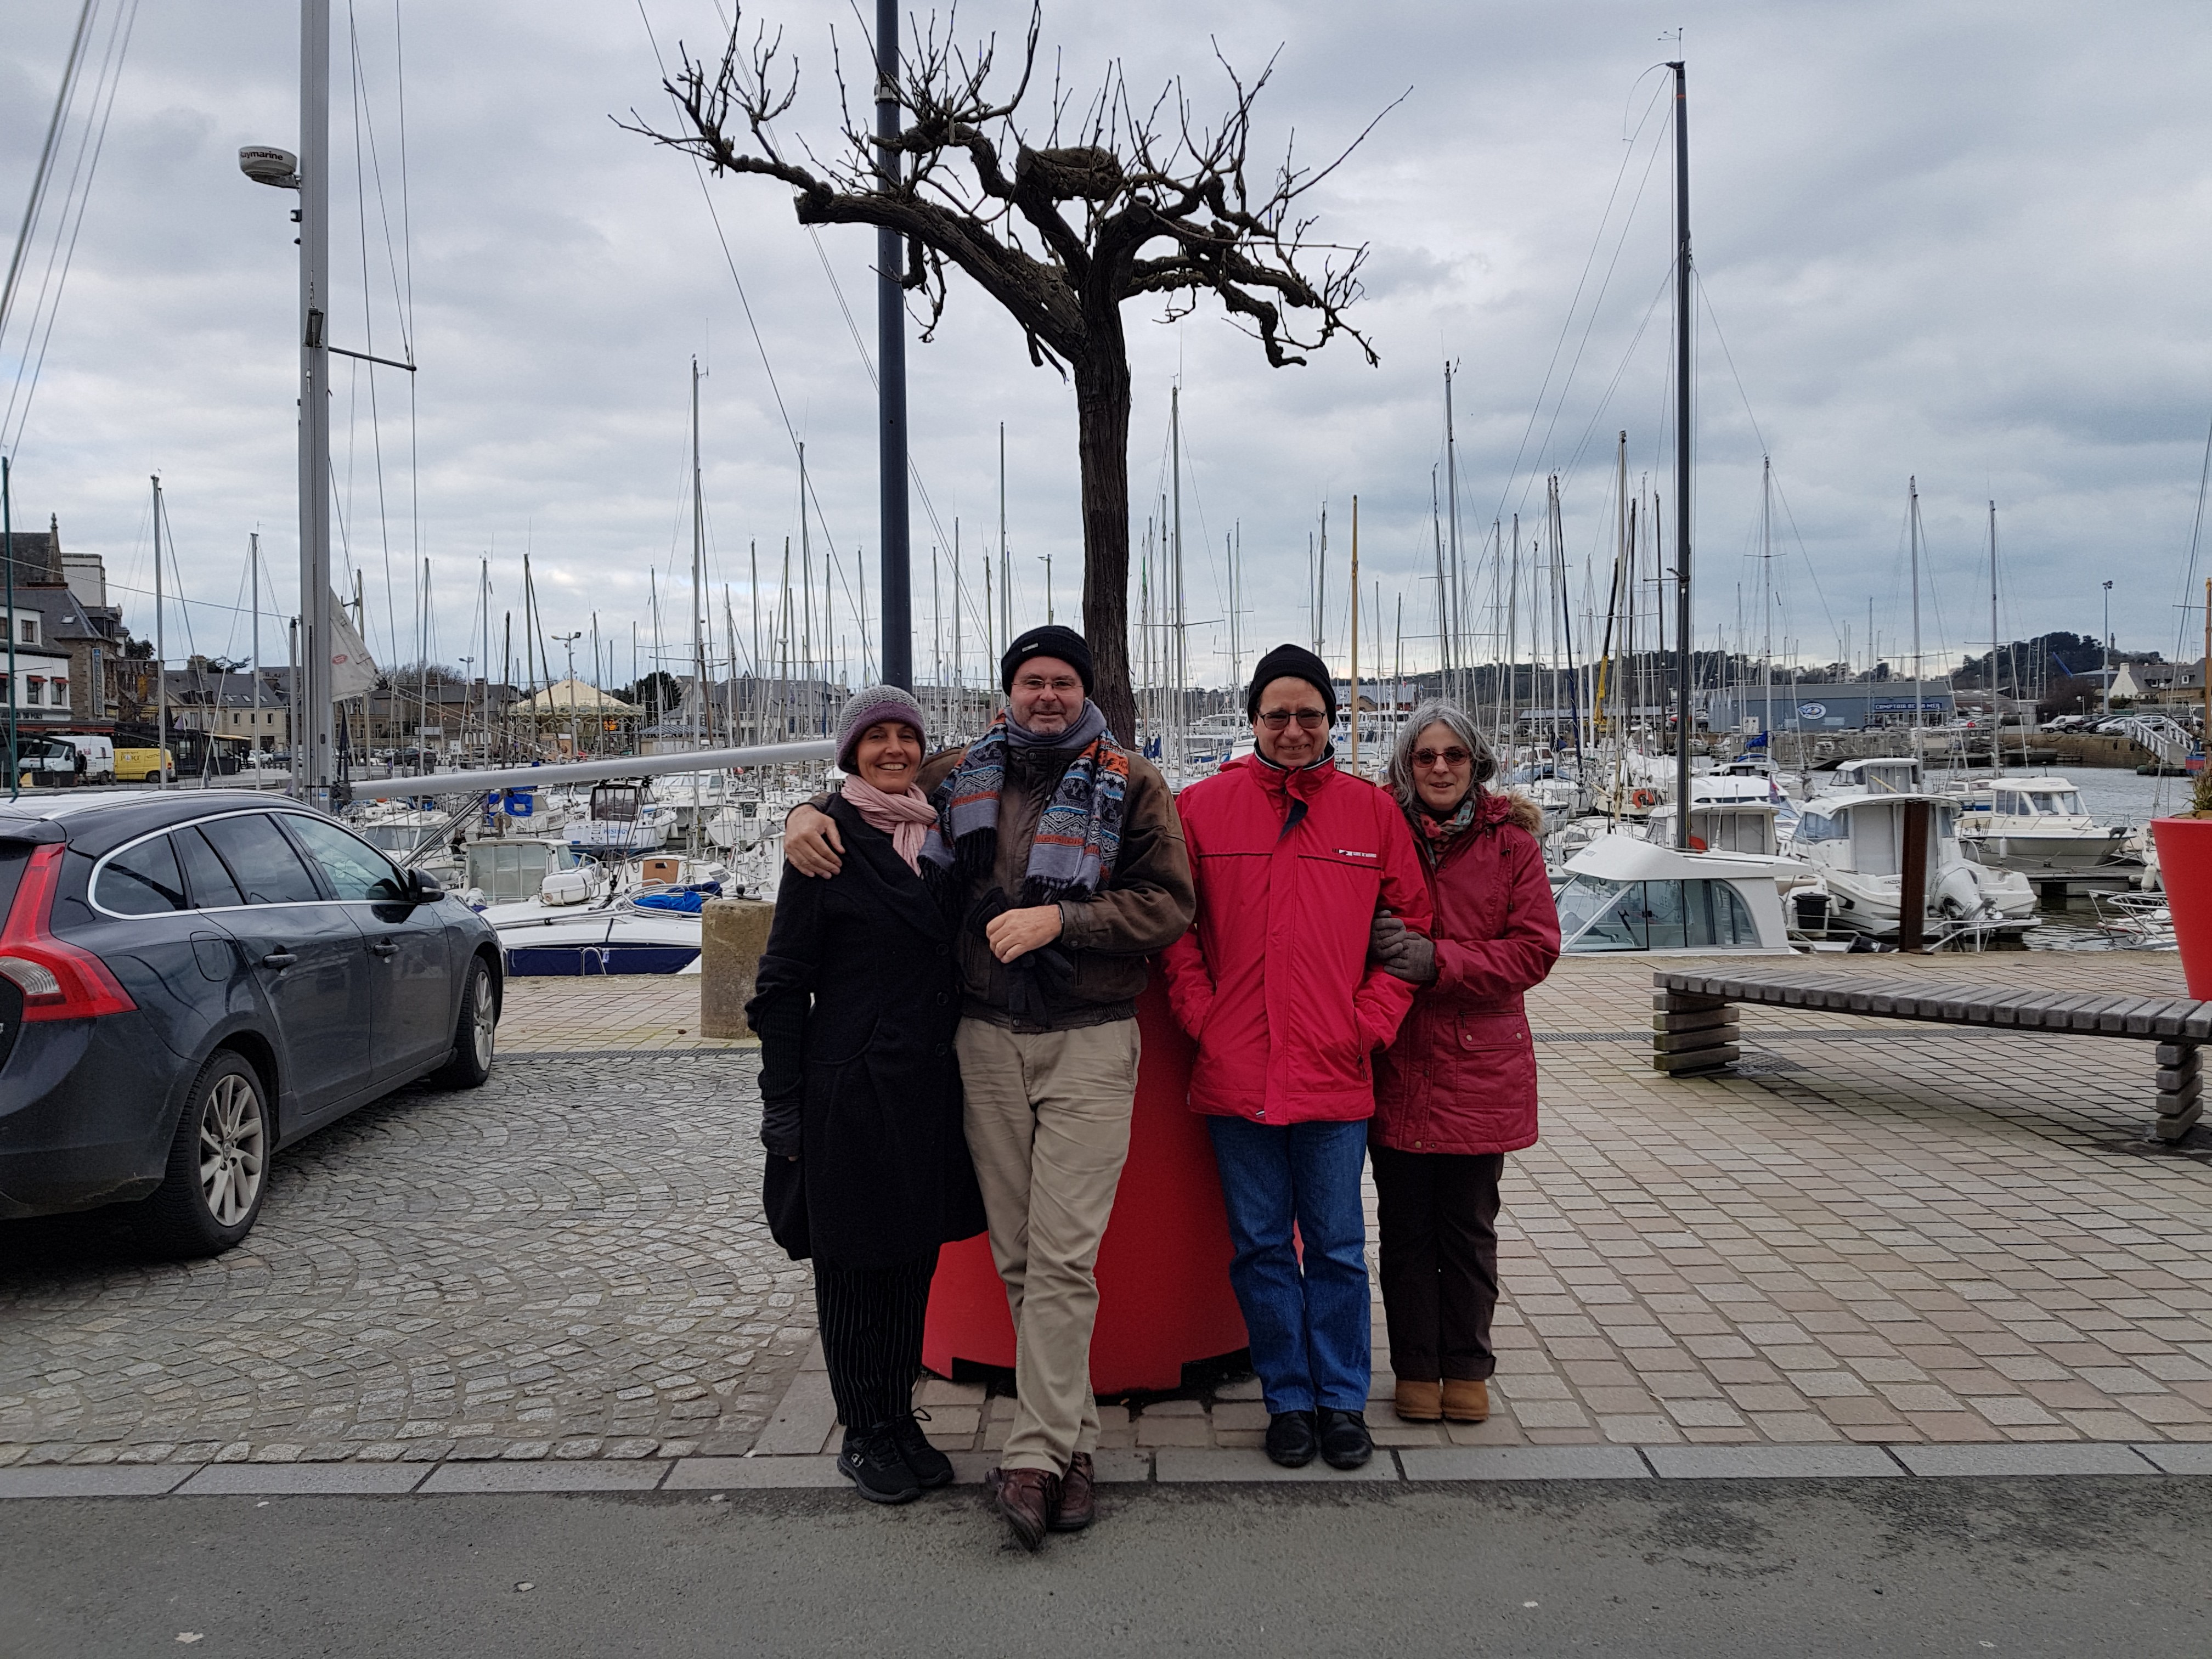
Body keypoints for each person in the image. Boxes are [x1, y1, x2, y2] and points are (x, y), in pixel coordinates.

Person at [782, 626, 1194, 1550]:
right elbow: (868, 791)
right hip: (984, 1039)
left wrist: (1063, 921)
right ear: (1009, 691)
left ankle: (1036, 1453)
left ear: (1085, 691)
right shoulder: (958, 772)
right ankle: (1075, 1447)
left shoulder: (1132, 781)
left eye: (1062, 682)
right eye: (1030, 681)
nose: (1046, 695)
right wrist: (803, 813)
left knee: (1064, 1257)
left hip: (1089, 1039)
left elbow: (1170, 904)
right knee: (1018, 1256)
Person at [1161, 644, 1431, 1471]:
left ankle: (1341, 1399)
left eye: (1308, 715)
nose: (1292, 729)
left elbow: (1410, 934)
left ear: (1330, 723)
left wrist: (1369, 1023)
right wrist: (1202, 1015)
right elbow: (1175, 929)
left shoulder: (1371, 814)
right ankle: (1287, 1398)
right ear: (1253, 720)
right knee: (1262, 1248)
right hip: (1237, 1068)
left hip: (1333, 1069)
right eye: (1276, 714)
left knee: (1339, 1246)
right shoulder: (1201, 808)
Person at [746, 685, 988, 1505]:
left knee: (913, 1260)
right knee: (854, 1268)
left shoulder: (937, 829)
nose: (894, 749)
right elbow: (782, 983)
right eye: (876, 737)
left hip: (928, 1082)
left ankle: (896, 1414)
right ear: (851, 752)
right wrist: (781, 1103)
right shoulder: (826, 839)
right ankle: (863, 1431)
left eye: (905, 736)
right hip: (847, 1086)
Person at [1368, 702, 1560, 1424]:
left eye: (1453, 755)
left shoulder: (1512, 845)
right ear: (1406, 766)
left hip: (1481, 1066)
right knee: (1405, 1229)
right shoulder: (1382, 832)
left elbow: (1534, 950)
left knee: (1470, 1229)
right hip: (1399, 1057)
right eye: (1425, 757)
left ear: (1476, 762)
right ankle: (1416, 1368)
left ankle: (1469, 1365)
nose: (1440, 768)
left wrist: (1438, 961)